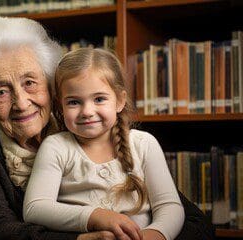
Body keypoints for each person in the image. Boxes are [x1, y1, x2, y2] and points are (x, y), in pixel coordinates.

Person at [0, 16, 215, 240]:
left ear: (52, 86)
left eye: (30, 83)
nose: (21, 103)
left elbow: (191, 221)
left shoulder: (87, 127)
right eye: (1, 91)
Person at [23, 48, 184, 240]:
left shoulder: (144, 144)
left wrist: (154, 235)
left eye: (99, 99)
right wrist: (95, 217)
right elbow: (35, 208)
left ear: (120, 101)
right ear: (60, 106)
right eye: (74, 102)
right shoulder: (56, 147)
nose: (87, 111)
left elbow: (169, 206)